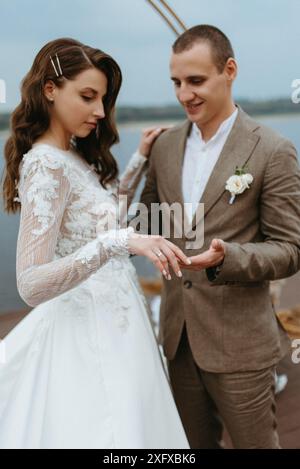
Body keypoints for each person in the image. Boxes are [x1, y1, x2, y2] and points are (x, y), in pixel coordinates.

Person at [0, 38, 191, 449]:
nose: (100, 112)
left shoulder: (70, 155)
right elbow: (31, 284)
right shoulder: (44, 165)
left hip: (119, 321)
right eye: (88, 97)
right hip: (88, 331)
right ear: (50, 89)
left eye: (103, 99)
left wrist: (139, 158)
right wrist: (119, 243)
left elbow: (102, 220)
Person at [138, 25, 300, 448]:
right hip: (177, 339)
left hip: (241, 346)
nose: (183, 94)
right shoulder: (165, 146)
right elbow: (148, 221)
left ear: (229, 70)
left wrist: (227, 257)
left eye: (196, 80)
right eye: (176, 82)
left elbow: (290, 249)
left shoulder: (272, 149)